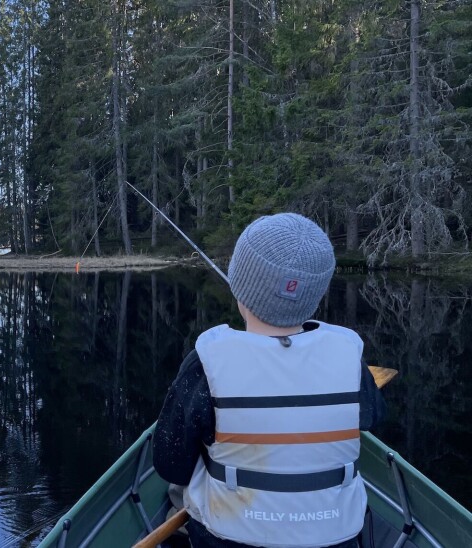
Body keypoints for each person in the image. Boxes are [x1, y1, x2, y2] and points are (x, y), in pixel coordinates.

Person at [152, 213, 384, 548]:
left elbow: (170, 465)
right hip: (336, 537)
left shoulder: (204, 365)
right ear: (315, 296)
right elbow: (372, 416)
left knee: (179, 489)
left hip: (228, 538)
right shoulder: (349, 358)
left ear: (239, 287)